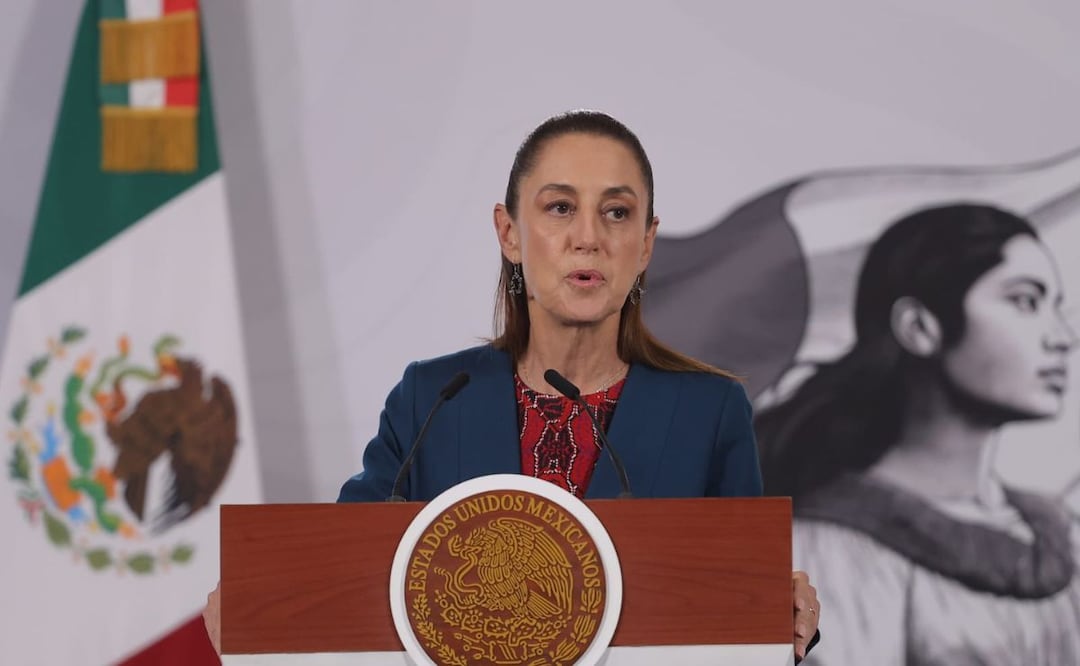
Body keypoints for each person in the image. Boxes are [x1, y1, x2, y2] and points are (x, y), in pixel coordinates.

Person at [204, 110, 822, 660]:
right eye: (559, 208)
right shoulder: (432, 399)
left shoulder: (709, 411)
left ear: (646, 245)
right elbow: (342, 575)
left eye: (616, 212)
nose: (589, 237)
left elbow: (740, 599)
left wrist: (784, 617)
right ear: (509, 234)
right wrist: (261, 603)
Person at [756, 203, 1080, 665]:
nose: (1063, 337)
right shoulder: (824, 552)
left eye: (1056, 307)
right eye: (1026, 301)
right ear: (920, 328)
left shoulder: (1061, 532)